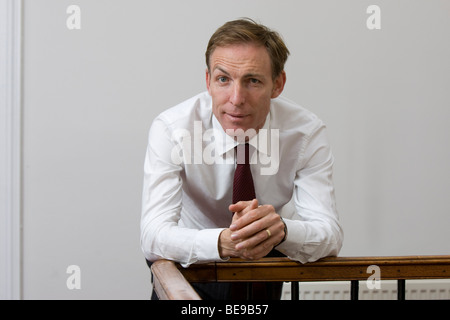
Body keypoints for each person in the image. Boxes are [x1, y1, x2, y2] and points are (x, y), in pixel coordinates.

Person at [140, 18, 343, 300]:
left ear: (278, 84)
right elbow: (153, 235)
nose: (236, 99)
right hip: (189, 272)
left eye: (253, 81)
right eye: (223, 79)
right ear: (208, 81)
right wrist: (224, 242)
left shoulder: (305, 133)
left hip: (263, 272)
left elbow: (330, 236)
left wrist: (283, 231)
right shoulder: (172, 129)